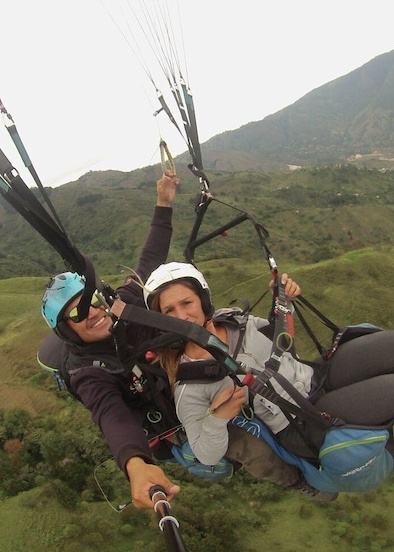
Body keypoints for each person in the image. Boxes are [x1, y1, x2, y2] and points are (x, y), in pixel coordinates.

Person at [38, 174, 312, 511]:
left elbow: (149, 260)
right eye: (77, 314)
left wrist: (164, 203)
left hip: (199, 371)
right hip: (177, 417)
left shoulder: (122, 307)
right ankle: (299, 481)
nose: (93, 312)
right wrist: (136, 464)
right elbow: (112, 416)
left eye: (91, 300)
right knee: (251, 449)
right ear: (67, 330)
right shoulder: (88, 374)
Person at [143, 262, 394, 481]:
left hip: (313, 378)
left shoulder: (235, 321)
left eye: (186, 303)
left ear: (202, 300)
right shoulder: (190, 384)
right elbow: (206, 452)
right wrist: (219, 418)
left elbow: (283, 341)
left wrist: (285, 302)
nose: (181, 315)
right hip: (301, 420)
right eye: (168, 310)